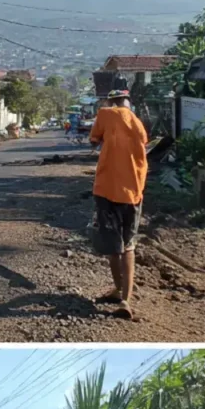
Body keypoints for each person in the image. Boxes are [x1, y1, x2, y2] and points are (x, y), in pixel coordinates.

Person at [88, 88, 148, 320]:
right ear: (128, 102)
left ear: (111, 101)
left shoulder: (104, 114)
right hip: (133, 192)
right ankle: (125, 298)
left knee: (114, 246)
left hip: (106, 190)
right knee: (129, 243)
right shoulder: (137, 123)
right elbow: (142, 144)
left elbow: (94, 139)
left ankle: (118, 289)